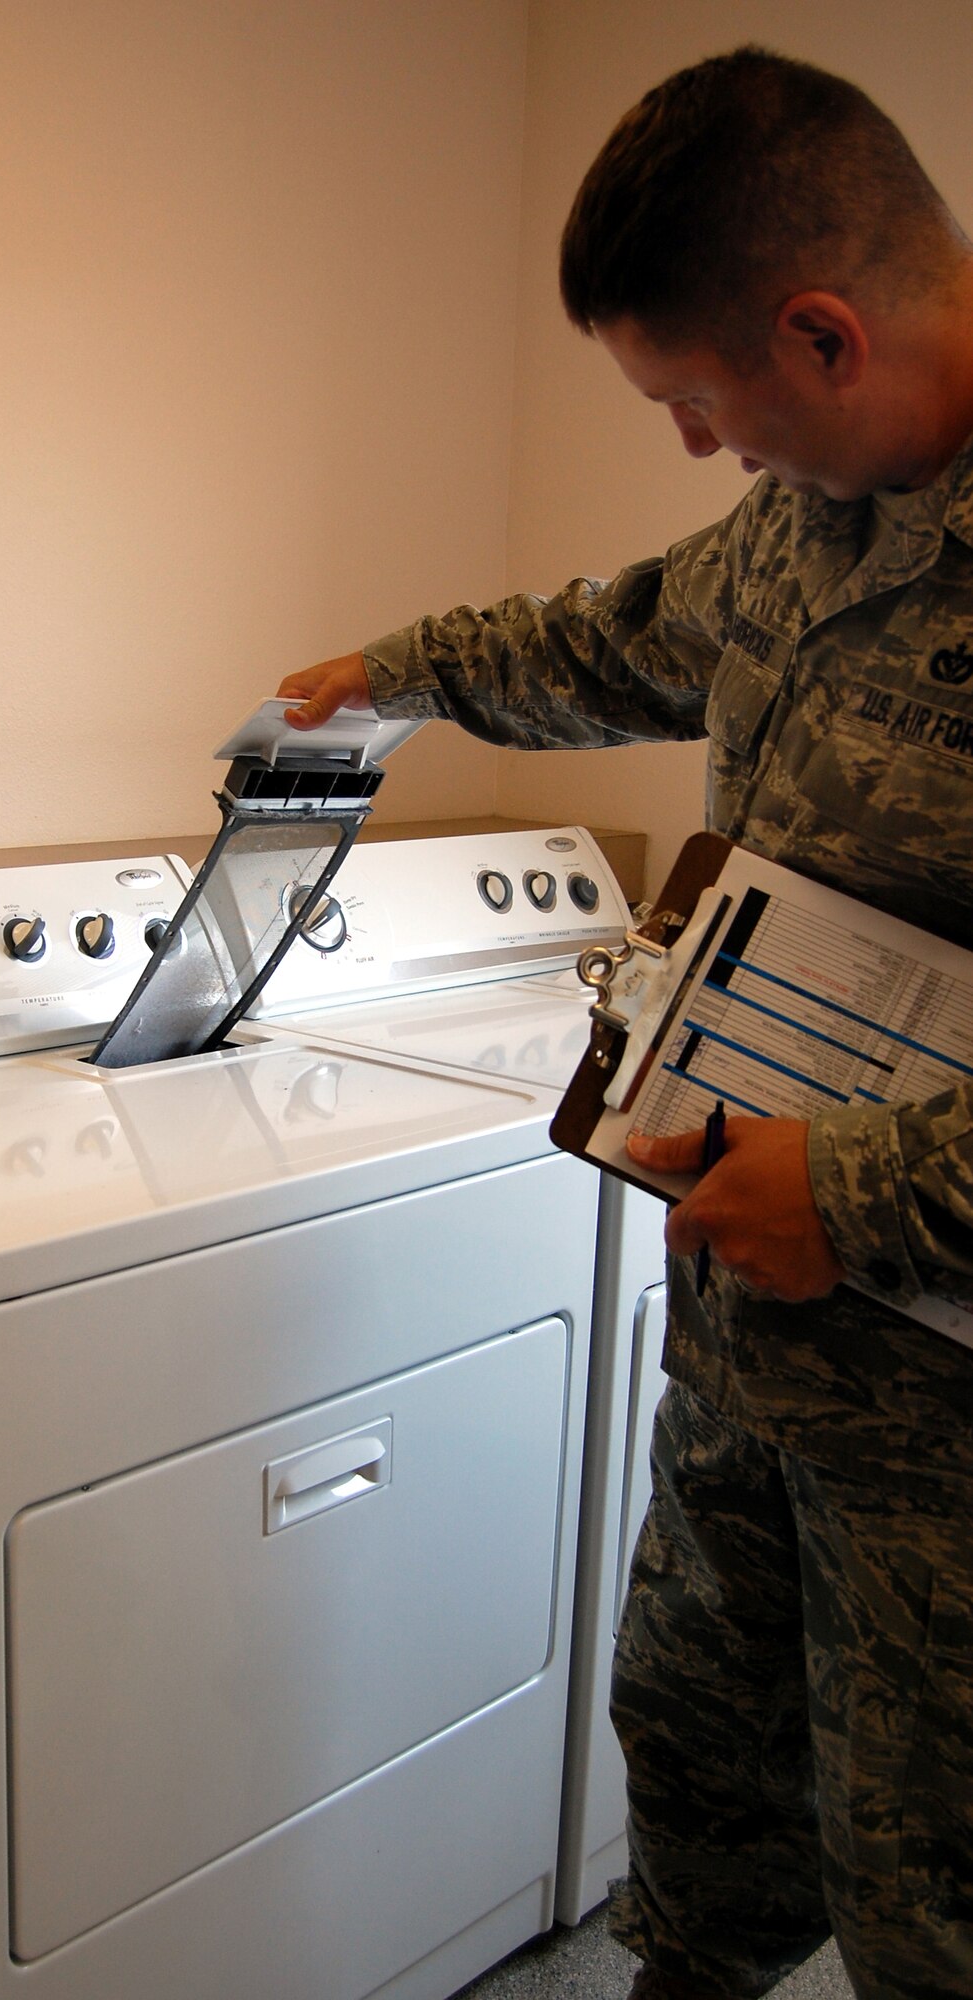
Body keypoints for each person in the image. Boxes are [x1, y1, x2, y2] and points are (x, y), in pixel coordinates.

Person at [276, 47, 973, 2000]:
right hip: (748, 1337)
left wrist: (850, 1187)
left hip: (940, 1418)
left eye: (690, 399)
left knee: (933, 1907)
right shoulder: (804, 523)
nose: (687, 446)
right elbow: (610, 634)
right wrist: (386, 679)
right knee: (696, 1791)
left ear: (817, 331)